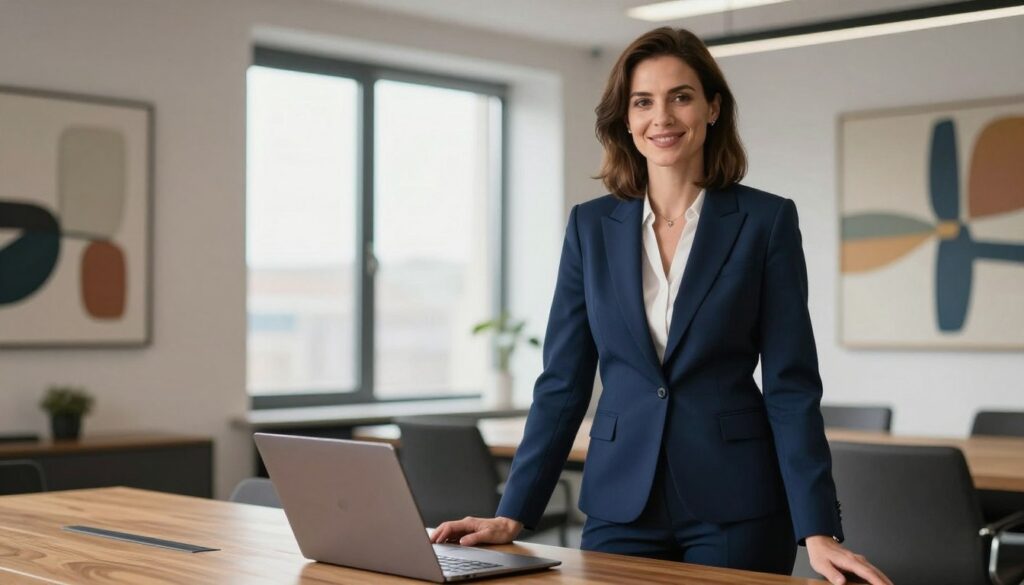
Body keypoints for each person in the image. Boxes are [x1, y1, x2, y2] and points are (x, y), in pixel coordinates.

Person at [431, 27, 892, 585]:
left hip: (736, 505)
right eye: (643, 101)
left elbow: (791, 386)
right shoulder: (590, 227)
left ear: (712, 107)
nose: (662, 117)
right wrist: (514, 512)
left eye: (681, 96)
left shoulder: (766, 222)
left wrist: (818, 529)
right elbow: (563, 383)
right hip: (620, 503)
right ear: (626, 119)